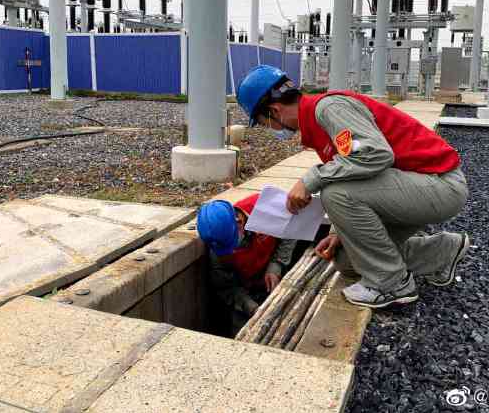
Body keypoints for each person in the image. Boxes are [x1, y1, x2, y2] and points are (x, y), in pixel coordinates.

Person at [236, 65, 470, 309]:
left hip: (440, 184)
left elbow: (375, 154)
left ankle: (392, 284)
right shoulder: (316, 121)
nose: (269, 129)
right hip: (414, 187)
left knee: (334, 194)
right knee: (347, 261)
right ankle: (441, 252)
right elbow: (352, 173)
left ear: (274, 111)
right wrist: (337, 231)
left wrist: (309, 179)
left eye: (264, 123)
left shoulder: (329, 109)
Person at [197, 193, 296, 328]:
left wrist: (276, 265)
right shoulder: (216, 244)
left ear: (239, 221)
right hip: (244, 293)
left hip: (274, 281)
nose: (230, 251)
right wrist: (251, 307)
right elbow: (226, 286)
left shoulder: (266, 206)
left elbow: (292, 229)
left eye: (231, 244)